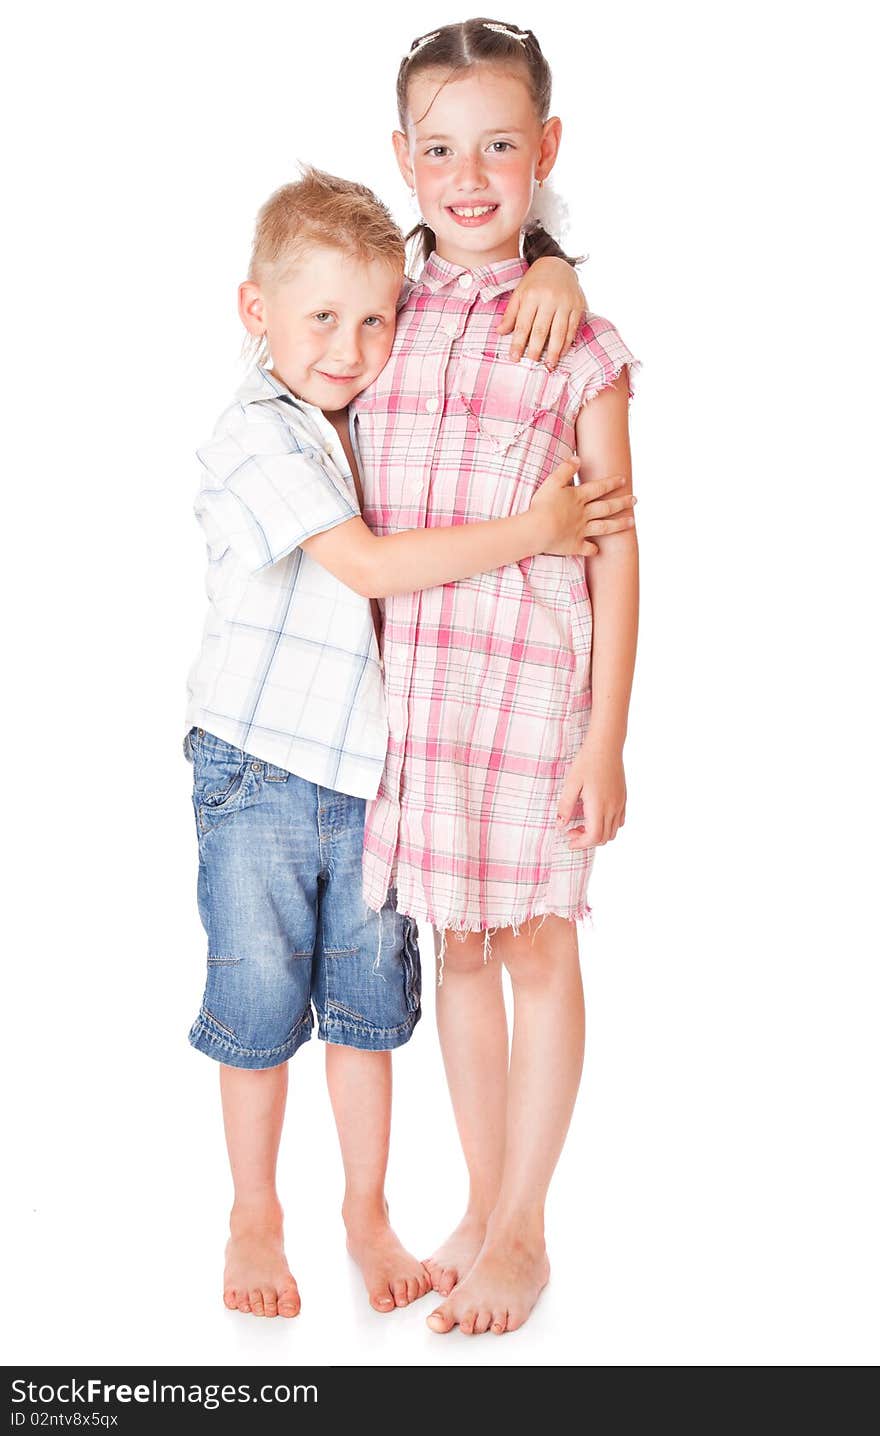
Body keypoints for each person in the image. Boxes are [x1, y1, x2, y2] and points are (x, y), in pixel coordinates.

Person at [184, 165, 638, 1319]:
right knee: (255, 1003)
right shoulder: (261, 430)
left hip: (375, 762)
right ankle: (254, 1212)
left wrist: (545, 261)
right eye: (324, 321)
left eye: (372, 318)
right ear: (258, 314)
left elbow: (459, 231)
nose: (350, 343)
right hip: (261, 764)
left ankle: (372, 1211)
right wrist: (534, 528)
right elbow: (378, 567)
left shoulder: (371, 371)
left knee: (366, 1010)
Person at [349, 18, 642, 1336]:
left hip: (532, 684)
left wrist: (606, 740)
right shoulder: (381, 320)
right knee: (457, 949)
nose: (472, 174)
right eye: (442, 148)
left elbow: (622, 550)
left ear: (546, 152)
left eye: (501, 146)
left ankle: (524, 1225)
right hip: (417, 688)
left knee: (534, 943)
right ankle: (477, 1199)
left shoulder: (579, 341)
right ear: (405, 161)